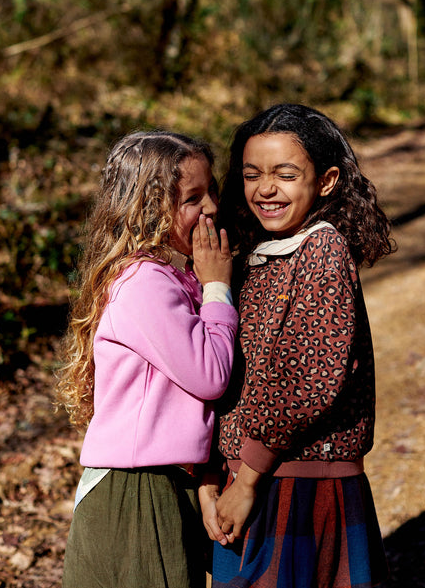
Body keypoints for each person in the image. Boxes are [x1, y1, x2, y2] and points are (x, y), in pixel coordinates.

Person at [200, 104, 394, 588]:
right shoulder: (252, 257)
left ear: (326, 181)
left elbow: (305, 380)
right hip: (251, 477)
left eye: (285, 175)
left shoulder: (322, 248)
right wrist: (211, 476)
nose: (265, 189)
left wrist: (247, 480)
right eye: (252, 175)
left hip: (301, 483)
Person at [56, 130, 238, 588]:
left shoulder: (167, 276)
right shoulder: (144, 282)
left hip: (157, 486)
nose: (212, 207)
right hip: (136, 494)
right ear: (151, 208)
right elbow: (210, 374)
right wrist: (218, 287)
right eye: (193, 198)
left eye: (211, 189)